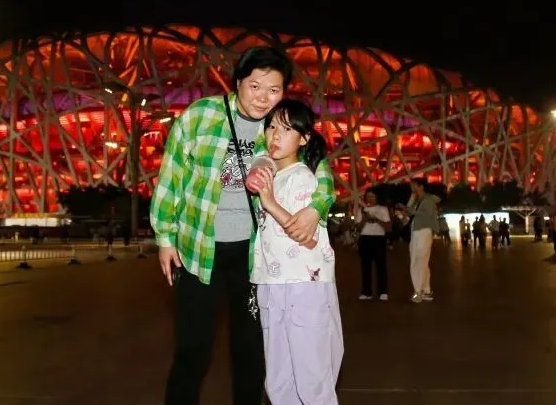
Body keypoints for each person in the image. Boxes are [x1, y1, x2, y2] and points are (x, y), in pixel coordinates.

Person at [150, 47, 336, 405]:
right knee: (193, 349)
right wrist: (165, 236)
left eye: (274, 90)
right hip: (198, 247)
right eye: (255, 86)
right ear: (237, 83)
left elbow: (319, 166)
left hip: (255, 254)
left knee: (251, 350)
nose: (263, 98)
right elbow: (171, 176)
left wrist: (317, 207)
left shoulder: (280, 123)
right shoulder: (200, 116)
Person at [251, 98, 343, 405]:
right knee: (279, 379)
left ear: (304, 139)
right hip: (272, 284)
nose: (276, 135)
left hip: (304, 285)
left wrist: (269, 203)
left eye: (287, 129)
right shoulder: (273, 176)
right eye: (271, 127)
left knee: (312, 377)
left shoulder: (303, 177)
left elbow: (308, 239)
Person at [405, 177, 440, 303]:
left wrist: (410, 209)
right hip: (417, 232)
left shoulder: (428, 200)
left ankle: (418, 292)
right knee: (421, 261)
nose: (412, 187)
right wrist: (410, 202)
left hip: (423, 231)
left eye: (414, 185)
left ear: (421, 186)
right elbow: (409, 212)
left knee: (418, 261)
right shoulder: (417, 199)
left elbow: (425, 214)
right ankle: (426, 291)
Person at [355, 190, 391, 301]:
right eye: (368, 196)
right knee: (365, 267)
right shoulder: (362, 210)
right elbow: (358, 226)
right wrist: (365, 219)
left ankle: (383, 292)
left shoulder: (383, 209)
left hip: (379, 239)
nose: (370, 199)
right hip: (365, 239)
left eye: (372, 196)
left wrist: (376, 219)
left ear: (377, 197)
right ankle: (366, 292)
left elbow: (388, 227)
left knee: (381, 266)